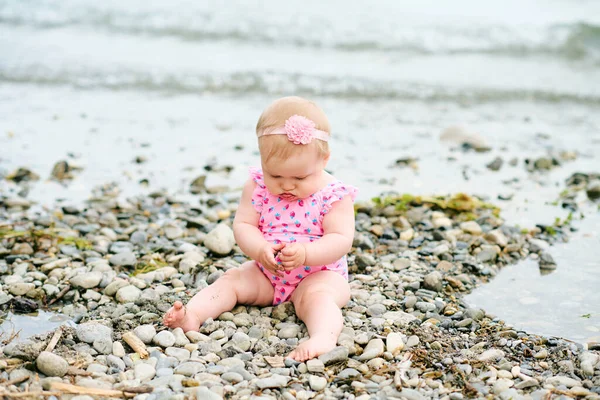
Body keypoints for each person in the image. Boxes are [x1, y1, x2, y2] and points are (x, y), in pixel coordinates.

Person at [163, 96, 357, 361]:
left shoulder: (334, 194)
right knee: (232, 279)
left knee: (319, 298)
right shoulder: (257, 187)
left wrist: (306, 253)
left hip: (319, 273)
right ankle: (193, 315)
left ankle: (323, 337)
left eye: (300, 177)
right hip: (269, 273)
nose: (287, 186)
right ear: (262, 161)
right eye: (275, 175)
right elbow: (244, 225)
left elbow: (341, 239)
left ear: (324, 160)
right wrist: (260, 248)